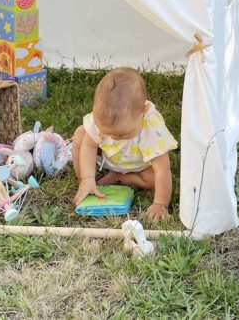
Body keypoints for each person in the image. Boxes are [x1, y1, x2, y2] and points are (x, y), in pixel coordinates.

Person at [71, 67, 176, 221]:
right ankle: (87, 184)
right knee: (81, 135)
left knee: (157, 178)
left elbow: (162, 169)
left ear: (143, 111)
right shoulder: (102, 118)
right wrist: (87, 178)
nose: (115, 138)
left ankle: (122, 177)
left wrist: (160, 203)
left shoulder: (151, 129)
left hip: (139, 165)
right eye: (108, 132)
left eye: (122, 134)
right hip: (109, 158)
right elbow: (89, 146)